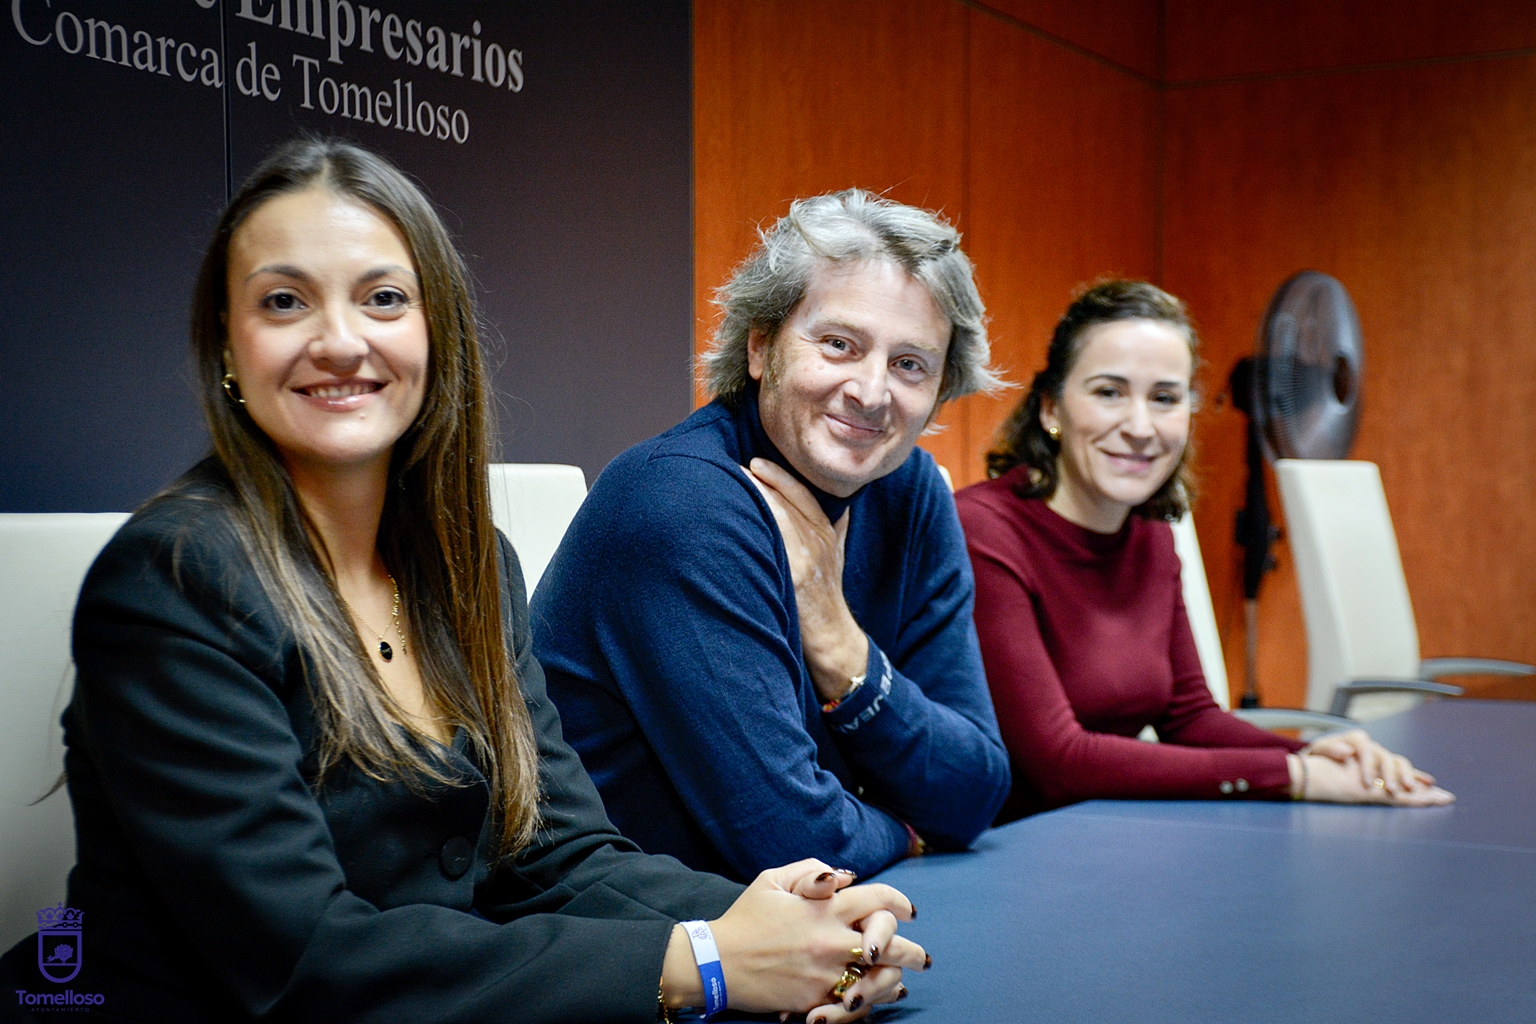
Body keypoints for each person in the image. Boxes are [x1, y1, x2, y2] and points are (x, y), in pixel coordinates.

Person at [0, 141, 927, 1024]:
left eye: (384, 298)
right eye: (284, 302)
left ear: (434, 330)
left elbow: (557, 855)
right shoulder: (175, 578)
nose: (339, 339)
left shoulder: (471, 562)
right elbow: (302, 964)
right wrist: (707, 964)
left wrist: (784, 929)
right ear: (226, 347)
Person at [531, 190, 1011, 880]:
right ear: (761, 345)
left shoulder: (912, 493)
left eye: (910, 364)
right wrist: (907, 831)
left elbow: (975, 790)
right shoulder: (679, 502)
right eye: (839, 344)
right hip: (640, 939)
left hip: (808, 932)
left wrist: (842, 646)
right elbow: (792, 839)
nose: (872, 393)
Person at [954, 279, 1454, 821]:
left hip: (1112, 833)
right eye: (1109, 392)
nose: (1141, 427)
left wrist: (1315, 754)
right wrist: (1295, 776)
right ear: (1051, 407)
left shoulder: (1150, 532)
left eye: (1165, 398)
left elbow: (1189, 715)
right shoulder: (983, 531)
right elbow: (1060, 761)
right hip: (1008, 850)